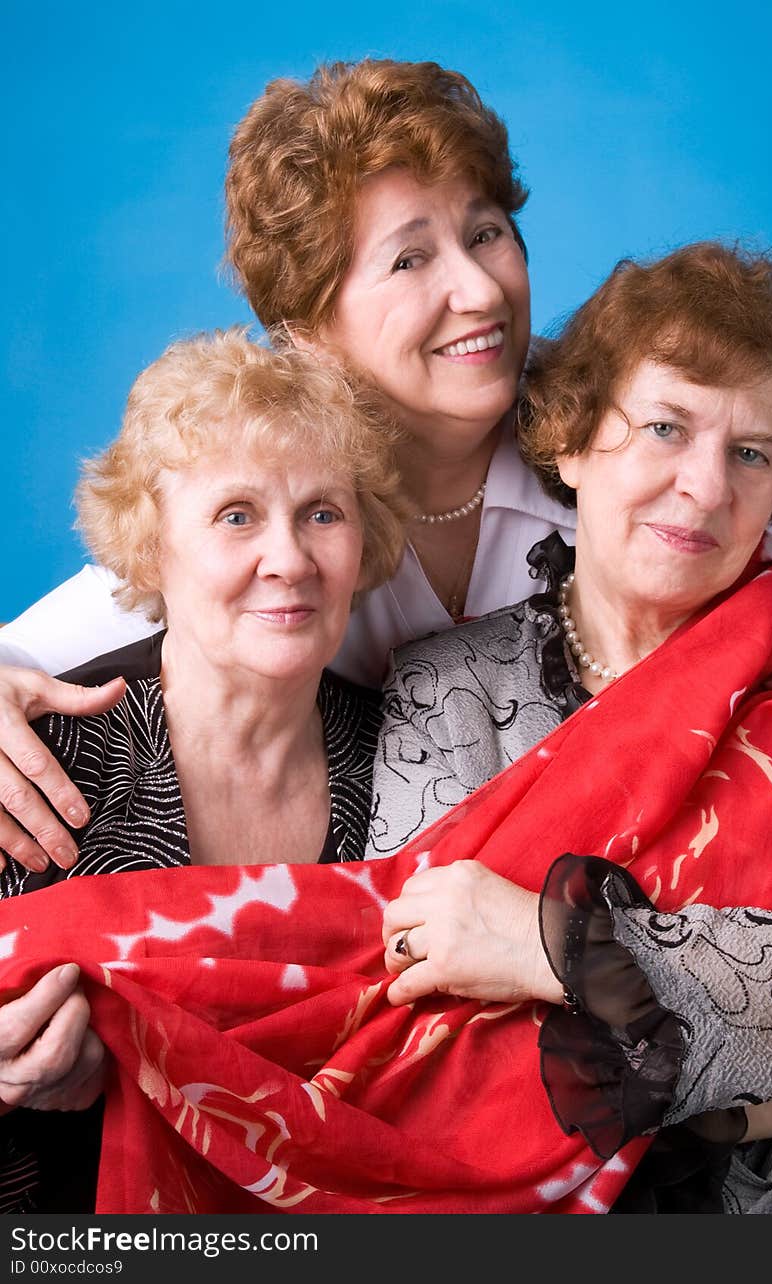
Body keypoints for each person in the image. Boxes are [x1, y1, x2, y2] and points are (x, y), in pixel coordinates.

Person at [3, 59, 772, 876]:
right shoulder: (277, 526)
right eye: (411, 258)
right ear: (309, 328)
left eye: (487, 232)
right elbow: (72, 626)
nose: (482, 290)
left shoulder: (621, 453)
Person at [367, 242, 772, 1213]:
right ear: (569, 438)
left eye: (749, 453)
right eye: (663, 427)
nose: (704, 487)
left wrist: (549, 947)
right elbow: (429, 1032)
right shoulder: (447, 689)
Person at [0, 327, 405, 1212]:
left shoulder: (410, 760)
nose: (290, 560)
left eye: (323, 513)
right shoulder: (35, 765)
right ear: (151, 548)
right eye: (236, 516)